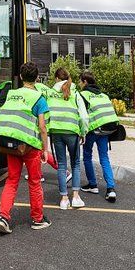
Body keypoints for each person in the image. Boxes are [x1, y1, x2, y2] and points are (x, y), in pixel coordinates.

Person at [0, 61, 52, 234]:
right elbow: (42, 127)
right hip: (29, 146)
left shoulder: (12, 94)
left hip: (10, 143)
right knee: (34, 182)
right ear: (37, 78)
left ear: (20, 76)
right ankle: (37, 219)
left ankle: (3, 217)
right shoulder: (39, 98)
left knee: (11, 181)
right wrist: (45, 149)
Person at [46, 68, 89, 210]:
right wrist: (83, 132)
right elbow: (83, 116)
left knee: (62, 165)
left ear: (57, 79)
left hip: (56, 131)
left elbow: (46, 113)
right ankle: (75, 197)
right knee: (75, 163)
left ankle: (64, 199)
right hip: (72, 132)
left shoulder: (50, 93)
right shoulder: (75, 92)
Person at [78, 71, 120, 202]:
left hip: (93, 129)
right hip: (107, 129)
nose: (79, 84)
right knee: (104, 157)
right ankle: (111, 189)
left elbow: (83, 115)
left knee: (87, 155)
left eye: (80, 81)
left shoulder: (83, 95)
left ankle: (92, 184)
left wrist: (81, 132)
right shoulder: (103, 95)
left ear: (85, 82)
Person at [24, 80, 70, 183]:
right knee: (39, 149)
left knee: (40, 149)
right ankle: (39, 174)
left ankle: (65, 172)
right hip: (46, 117)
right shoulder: (45, 87)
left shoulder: (34, 88)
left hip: (39, 118)